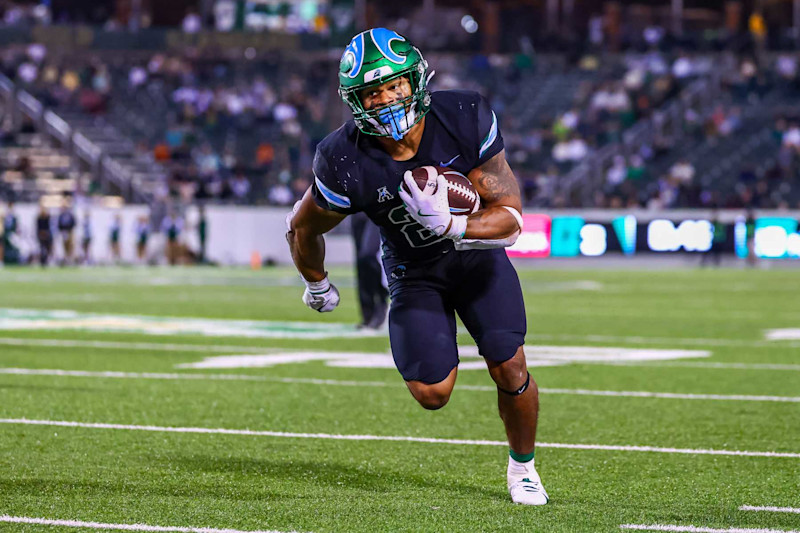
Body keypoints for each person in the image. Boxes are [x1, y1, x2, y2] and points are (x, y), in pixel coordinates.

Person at [285, 28, 546, 505]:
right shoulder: (343, 157)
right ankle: (440, 345)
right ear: (354, 101)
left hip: (476, 261)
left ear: (416, 80)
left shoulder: (464, 114)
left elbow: (510, 220)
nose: (385, 99)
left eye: (394, 85)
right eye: (371, 92)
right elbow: (302, 228)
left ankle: (523, 469)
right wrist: (315, 282)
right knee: (432, 393)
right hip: (412, 270)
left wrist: (455, 226)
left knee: (509, 365)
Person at [351, 211, 388, 329]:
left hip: (376, 205)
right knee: (360, 264)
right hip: (354, 206)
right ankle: (367, 314)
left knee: (368, 254)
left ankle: (381, 303)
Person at [57, 199, 76, 266]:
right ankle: (66, 259)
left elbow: (74, 222)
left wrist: (69, 229)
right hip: (64, 232)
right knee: (65, 246)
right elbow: (59, 224)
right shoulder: (61, 215)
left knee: (71, 246)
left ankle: (71, 260)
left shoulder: (70, 214)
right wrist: (62, 230)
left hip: (70, 232)